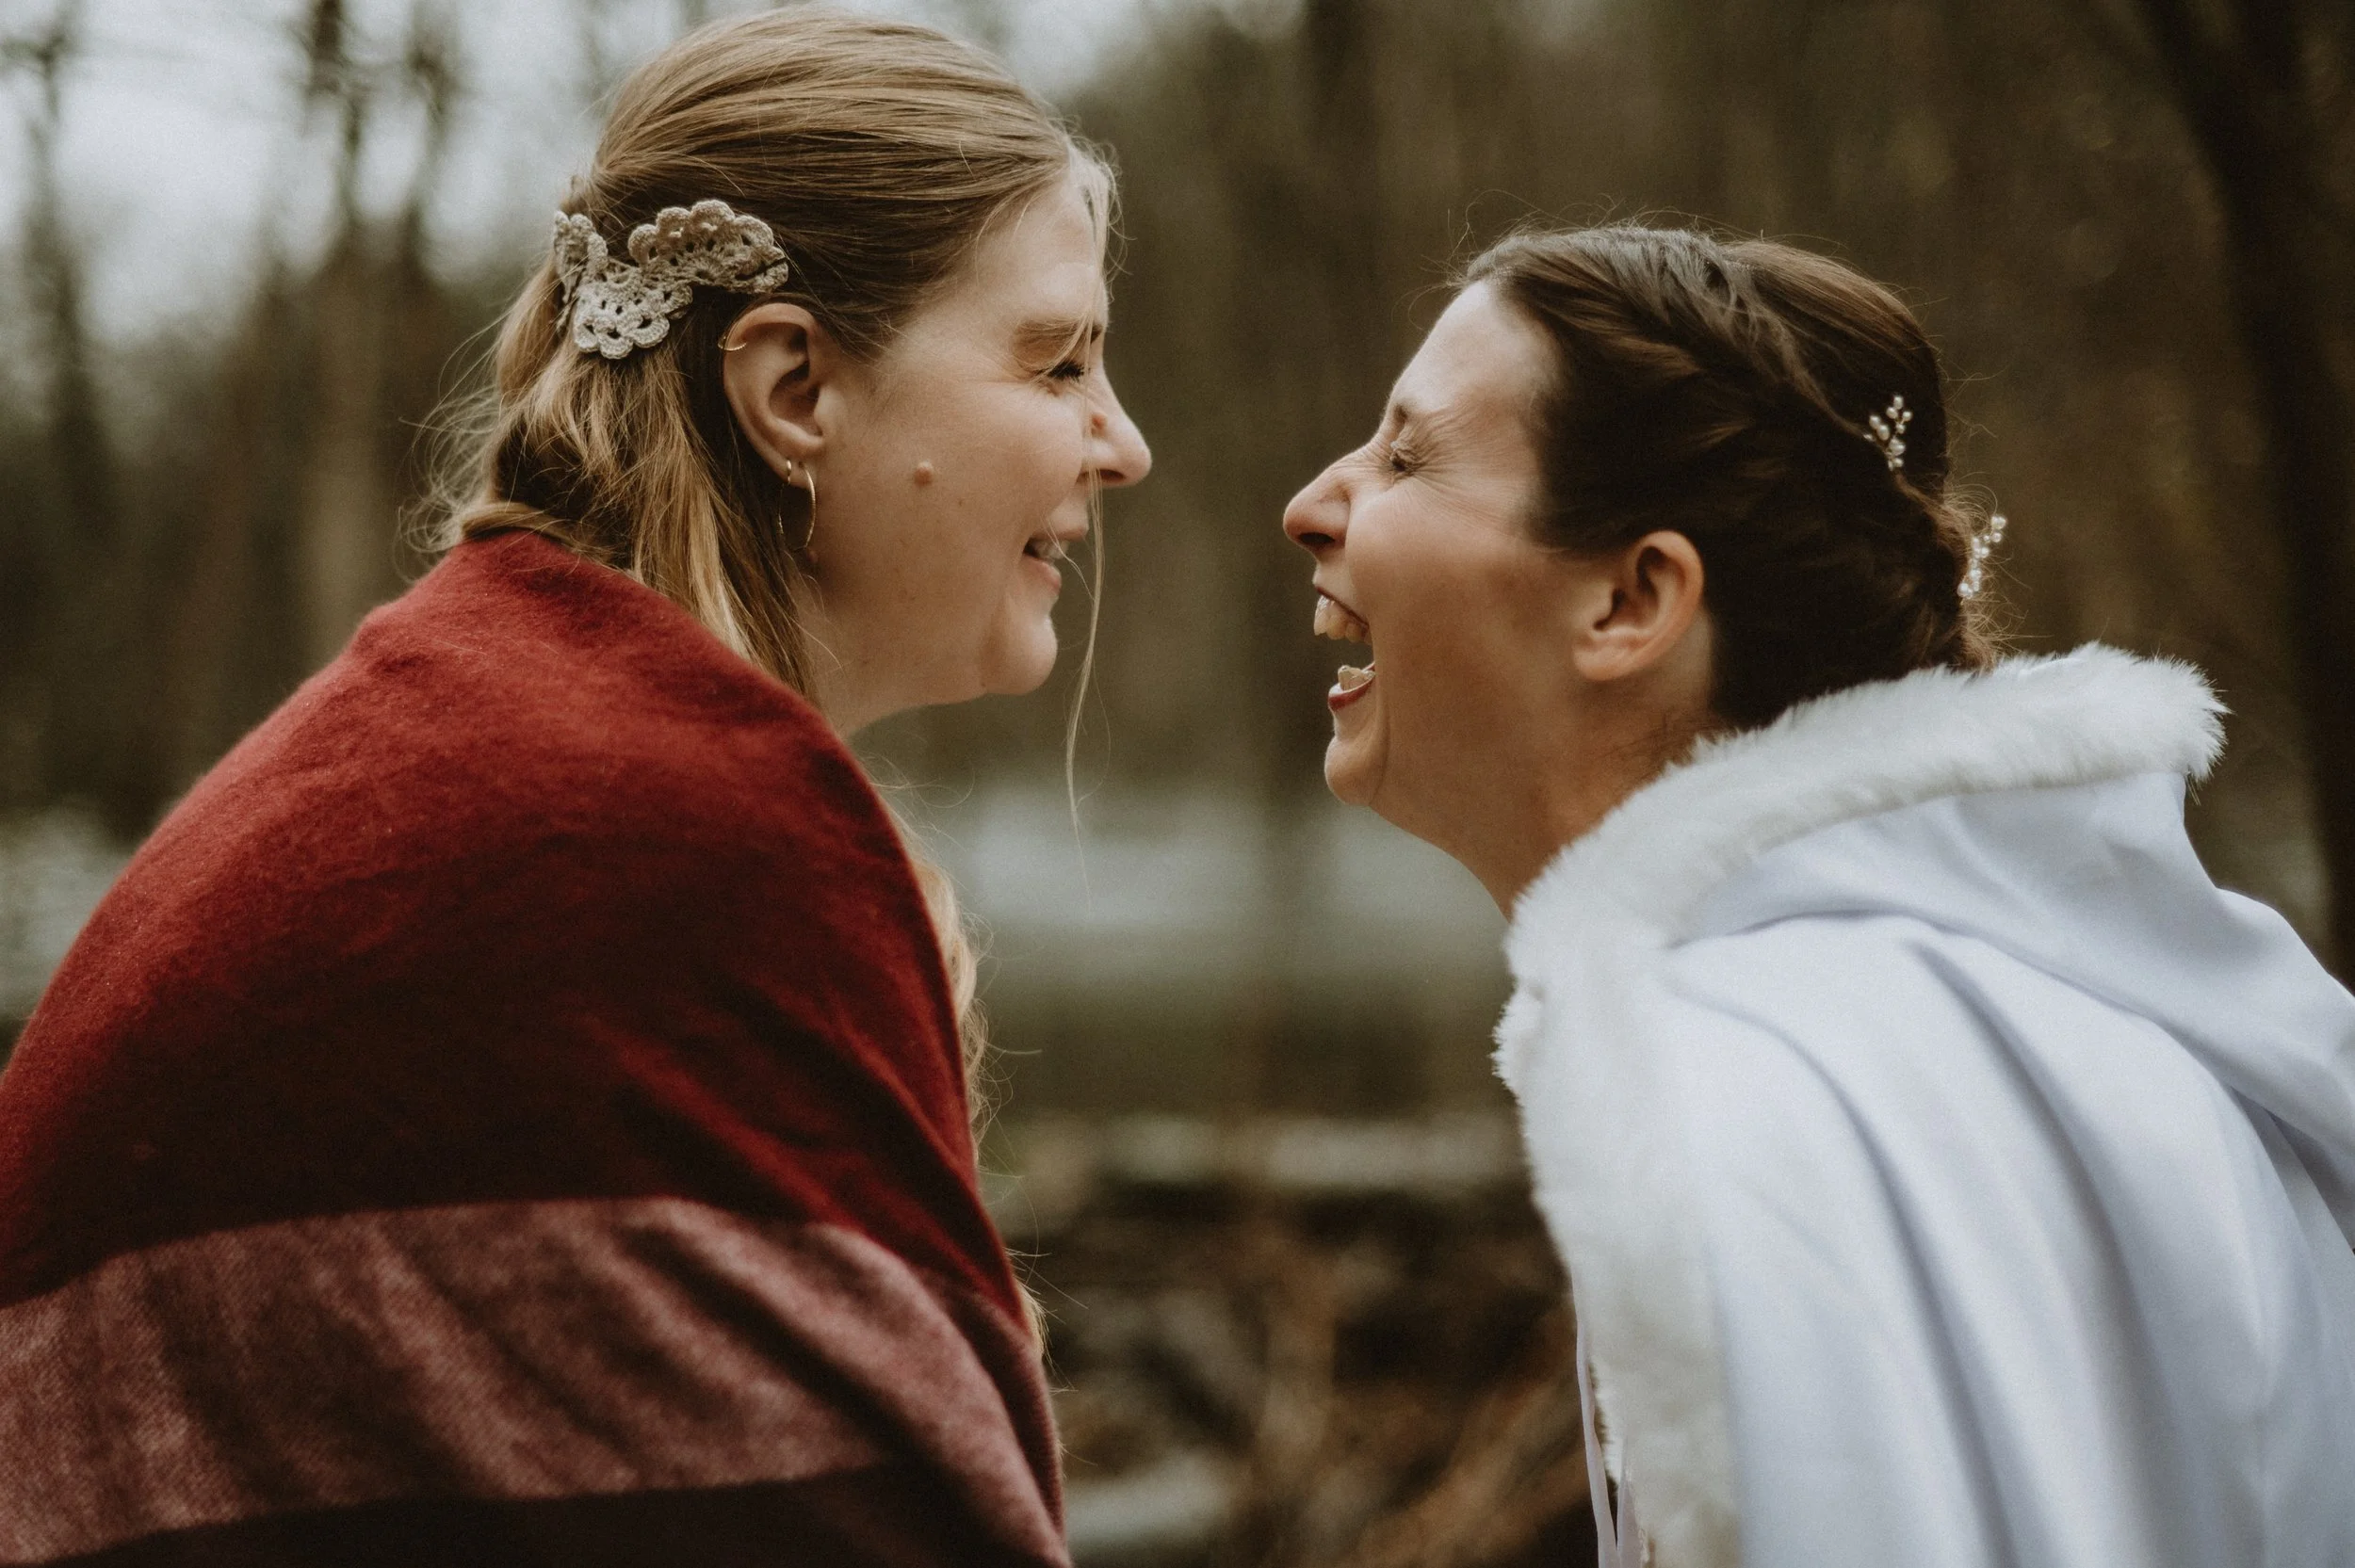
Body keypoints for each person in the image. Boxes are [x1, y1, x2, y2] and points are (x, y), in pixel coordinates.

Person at [0, 11, 1146, 1565]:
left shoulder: (480, 735)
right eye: (1058, 358)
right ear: (796, 389)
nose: (1120, 442)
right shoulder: (652, 836)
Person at [1284, 223, 2355, 1567]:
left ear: (1632, 599)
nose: (1315, 502)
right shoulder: (2059, 1010)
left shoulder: (1732, 1091)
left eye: (1406, 456)